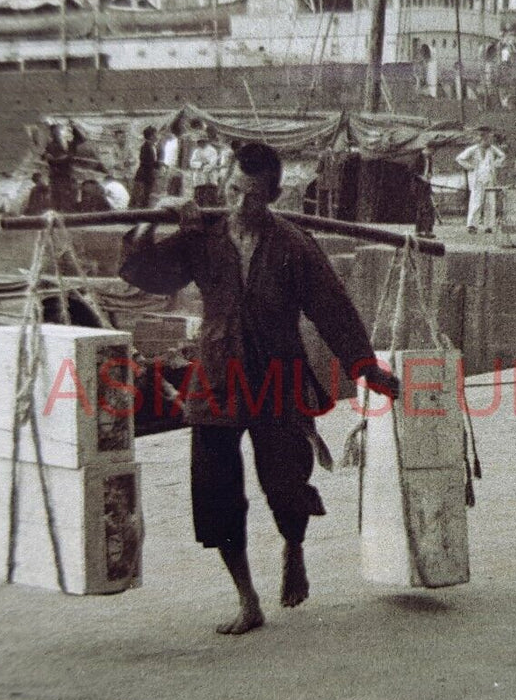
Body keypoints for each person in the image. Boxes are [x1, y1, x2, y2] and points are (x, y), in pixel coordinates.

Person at [118, 142, 402, 635]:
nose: (239, 205)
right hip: (217, 378)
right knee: (217, 493)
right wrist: (154, 223)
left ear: (271, 194)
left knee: (287, 482)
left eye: (251, 195)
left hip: (278, 378)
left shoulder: (293, 244)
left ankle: (294, 546)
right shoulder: (200, 235)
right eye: (232, 191)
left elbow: (331, 307)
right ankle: (248, 600)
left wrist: (365, 367)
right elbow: (144, 274)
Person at [456, 127, 506, 233]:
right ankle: (472, 225)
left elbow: (502, 156)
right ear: (481, 139)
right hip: (477, 179)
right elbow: (460, 158)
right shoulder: (473, 149)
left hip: (489, 178)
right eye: (486, 139)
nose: (489, 142)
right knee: (476, 201)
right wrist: (469, 166)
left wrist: (495, 164)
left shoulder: (492, 149)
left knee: (490, 202)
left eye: (490, 140)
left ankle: (489, 226)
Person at [43, 123, 75, 210]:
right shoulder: (50, 145)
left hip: (66, 175)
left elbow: (70, 156)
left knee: (66, 195)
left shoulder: (66, 144)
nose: (57, 133)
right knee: (58, 196)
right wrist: (65, 158)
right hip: (56, 176)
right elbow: (50, 159)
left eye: (58, 131)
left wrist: (65, 158)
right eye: (55, 131)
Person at [189, 135, 224, 208]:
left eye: (201, 141)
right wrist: (201, 164)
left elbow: (212, 163)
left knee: (211, 196)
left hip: (209, 176)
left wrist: (206, 167)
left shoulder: (212, 150)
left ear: (205, 142)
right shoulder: (196, 151)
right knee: (199, 196)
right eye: (198, 142)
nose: (199, 143)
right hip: (199, 177)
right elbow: (192, 162)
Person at [133, 126, 160, 209]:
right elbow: (145, 162)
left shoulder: (153, 146)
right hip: (144, 175)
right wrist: (158, 165)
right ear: (151, 136)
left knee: (147, 196)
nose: (157, 136)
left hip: (149, 175)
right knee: (143, 197)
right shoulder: (145, 147)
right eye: (156, 134)